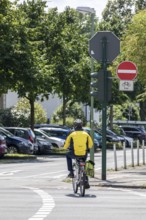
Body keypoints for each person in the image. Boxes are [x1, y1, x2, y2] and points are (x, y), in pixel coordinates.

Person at [64, 119, 93, 188]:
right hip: (84, 153)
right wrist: (87, 148)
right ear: (82, 126)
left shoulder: (72, 133)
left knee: (68, 156)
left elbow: (66, 144)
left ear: (74, 126)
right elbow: (90, 144)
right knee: (85, 164)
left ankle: (71, 172)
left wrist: (65, 148)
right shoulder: (86, 133)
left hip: (74, 153)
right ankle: (86, 181)